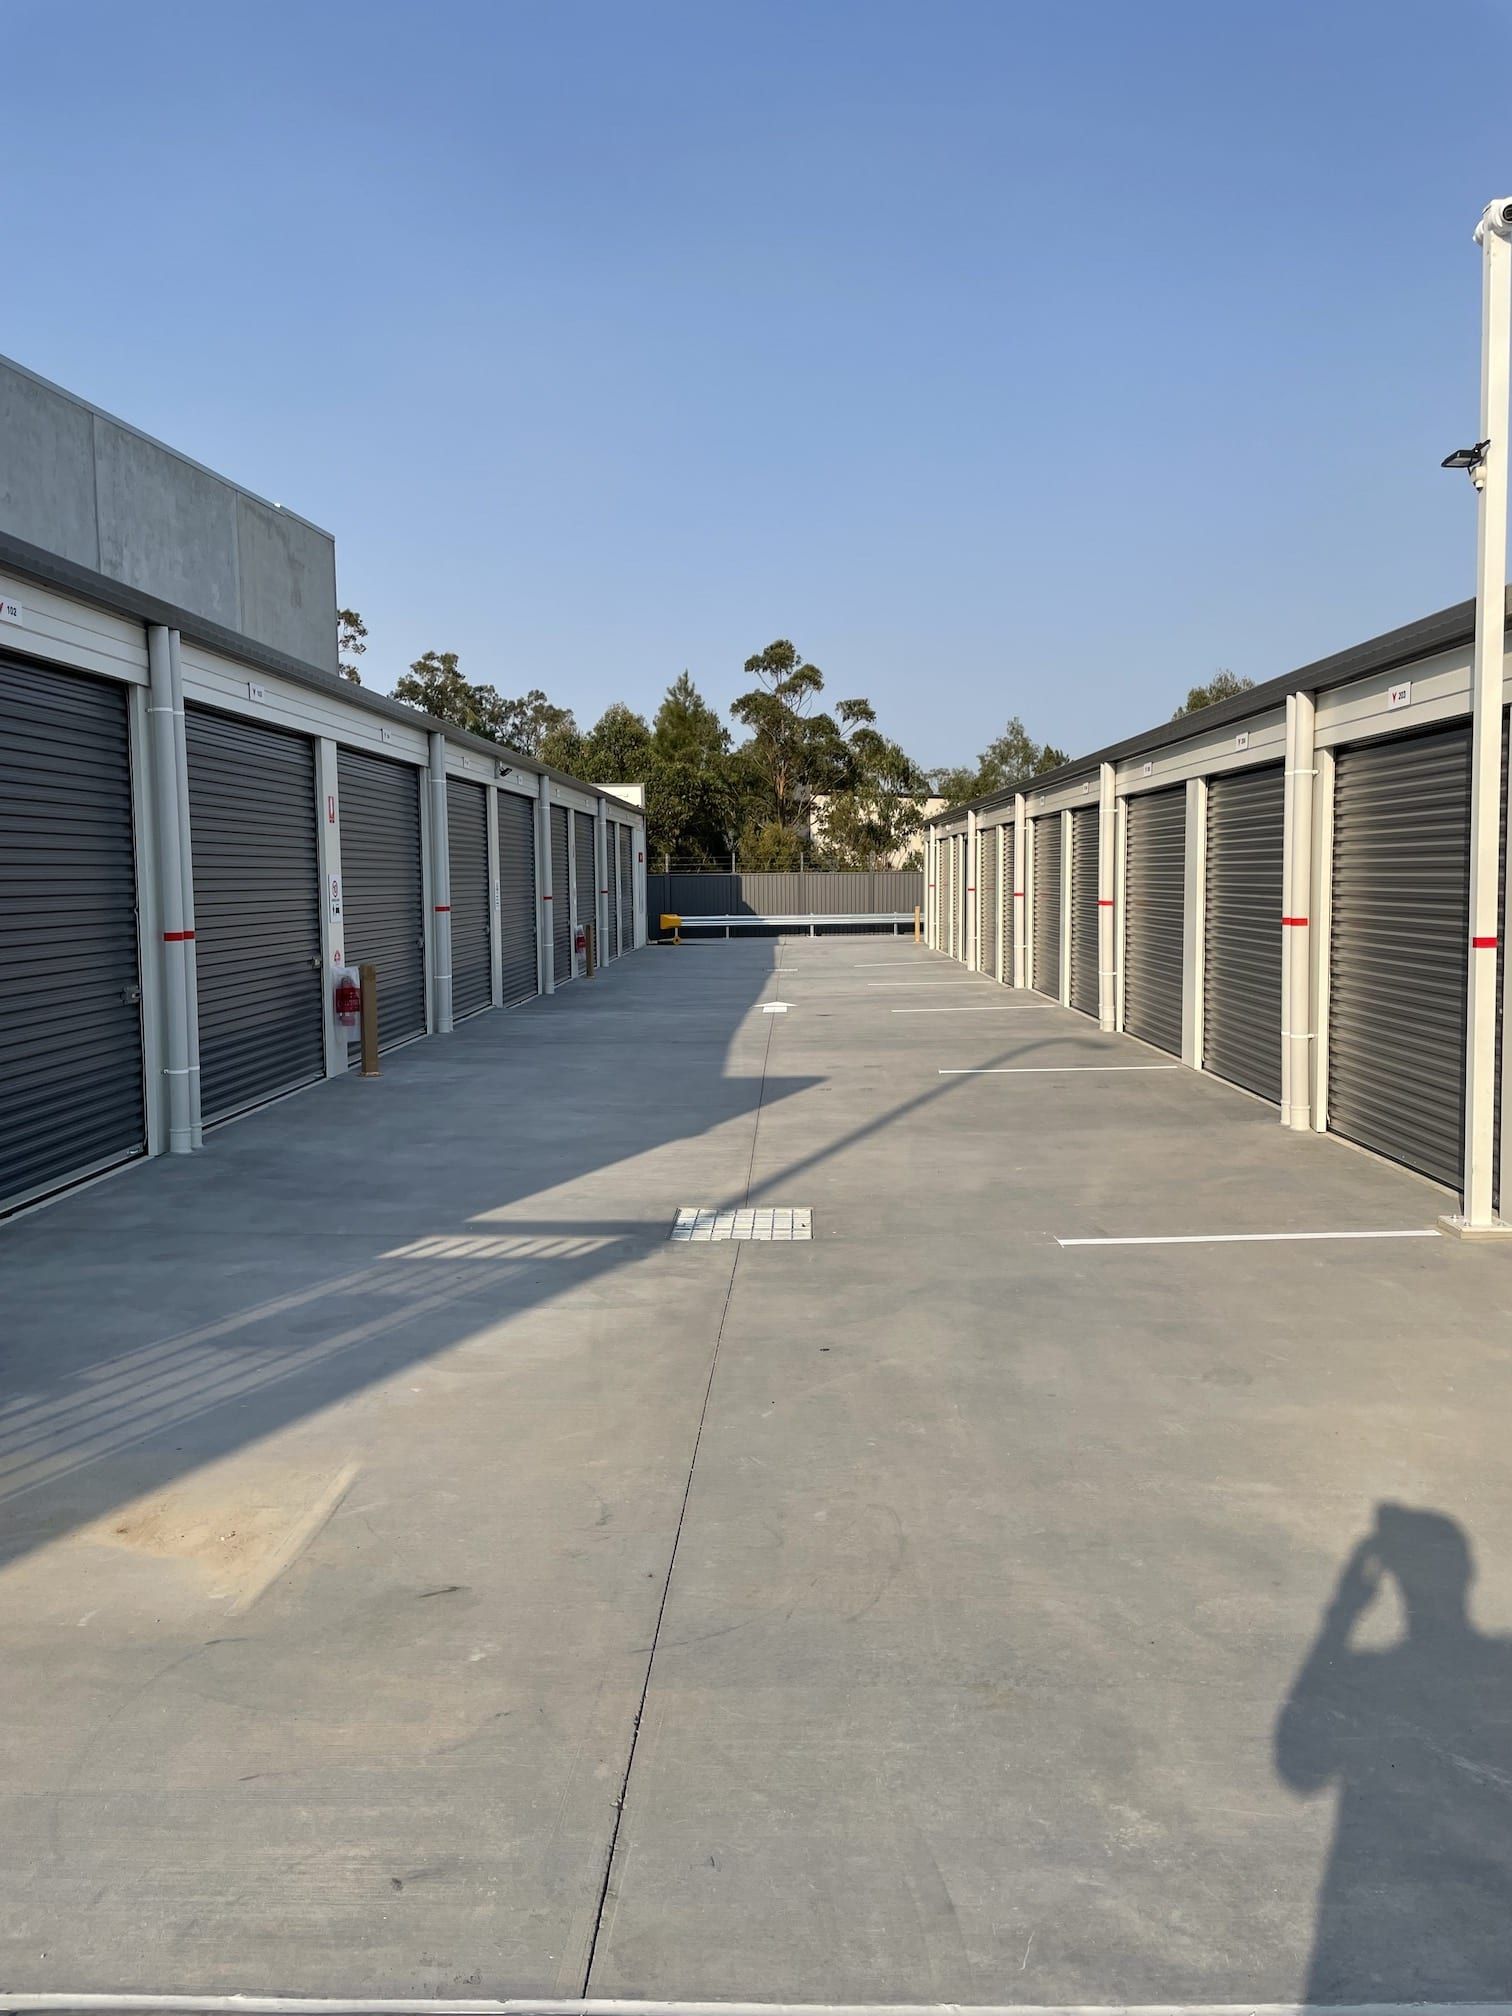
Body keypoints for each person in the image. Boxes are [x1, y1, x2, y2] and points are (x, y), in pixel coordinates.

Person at [1276, 1503, 1512, 1998]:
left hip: (1391, 1950)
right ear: (1466, 1573)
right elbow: (1299, 1765)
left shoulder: (1369, 1681)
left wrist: (1342, 1614)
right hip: (1444, 1946)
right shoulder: (1497, 1668)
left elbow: (1300, 1765)